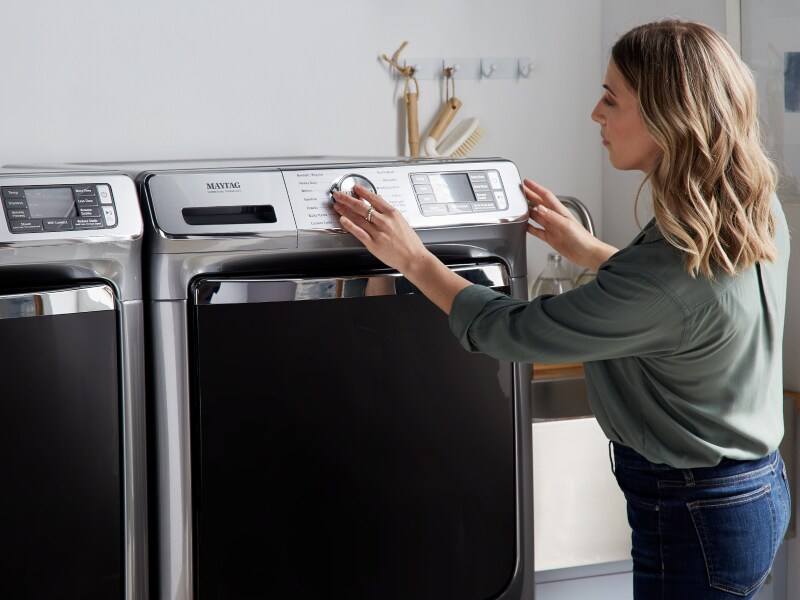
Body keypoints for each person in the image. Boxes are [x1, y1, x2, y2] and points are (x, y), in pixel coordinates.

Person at [332, 18, 791, 600]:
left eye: (610, 99)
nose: (595, 115)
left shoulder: (666, 273)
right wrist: (590, 251)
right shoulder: (751, 207)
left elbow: (510, 330)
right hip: (754, 488)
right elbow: (690, 309)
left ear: (666, 118)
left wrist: (415, 259)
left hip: (695, 511)